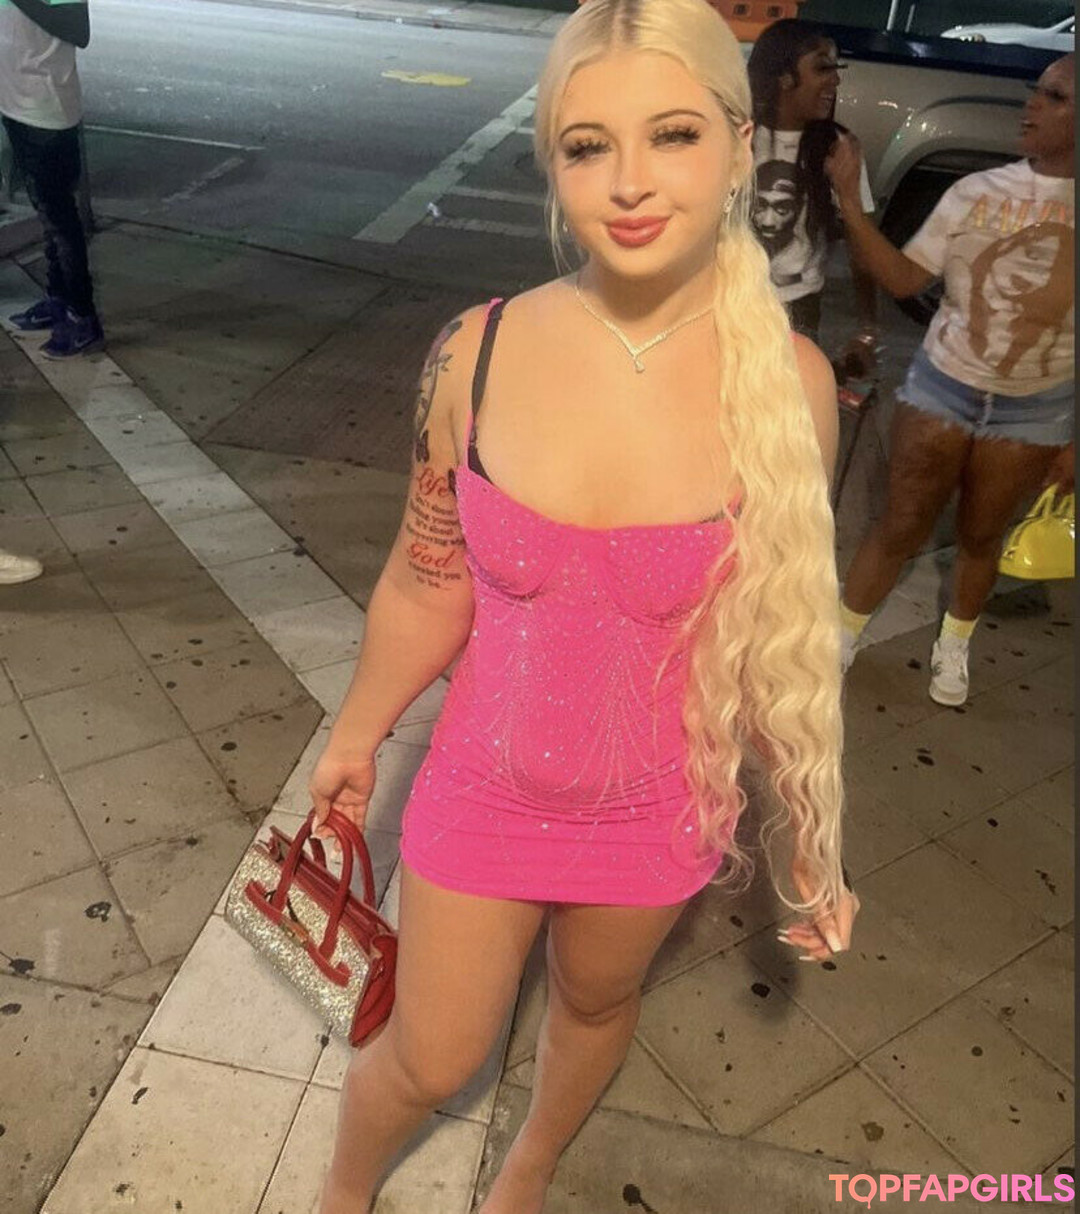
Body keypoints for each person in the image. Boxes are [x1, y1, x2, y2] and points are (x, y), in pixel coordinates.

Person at [309, 2, 858, 1211]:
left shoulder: (794, 387)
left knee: (598, 1001)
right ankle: (343, 1191)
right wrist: (356, 732)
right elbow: (426, 574)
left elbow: (775, 643)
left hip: (661, 804)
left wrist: (808, 840)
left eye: (671, 134)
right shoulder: (477, 349)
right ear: (552, 163)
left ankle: (530, 1166)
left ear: (737, 141)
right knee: (433, 1052)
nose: (629, 182)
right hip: (481, 784)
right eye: (586, 145)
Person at [828, 53, 1075, 706]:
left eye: (1055, 97)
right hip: (943, 385)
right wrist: (851, 203)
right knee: (900, 522)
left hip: (1035, 407)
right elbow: (906, 278)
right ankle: (843, 635)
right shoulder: (977, 191)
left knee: (982, 536)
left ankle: (954, 645)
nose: (1033, 105)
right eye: (1037, 91)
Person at [747, 18, 877, 373]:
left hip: (797, 310)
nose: (835, 80)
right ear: (782, 77)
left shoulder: (837, 149)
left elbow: (861, 246)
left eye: (836, 69)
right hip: (726, 300)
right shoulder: (736, 136)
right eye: (822, 68)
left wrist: (867, 329)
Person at [0, 0, 104, 358]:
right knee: (49, 215)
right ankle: (58, 298)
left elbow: (78, 30)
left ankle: (82, 315)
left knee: (60, 220)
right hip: (16, 104)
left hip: (46, 112)